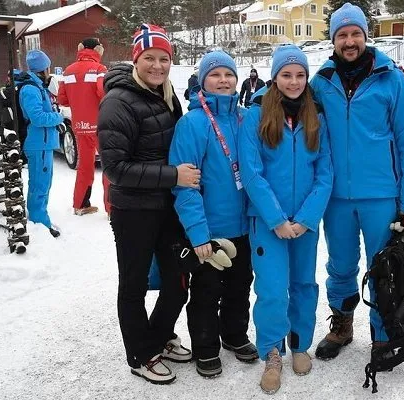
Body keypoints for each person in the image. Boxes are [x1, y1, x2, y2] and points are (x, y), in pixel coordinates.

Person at [309, 3, 404, 361]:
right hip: (336, 198)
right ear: (333, 40)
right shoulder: (320, 83)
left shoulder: (392, 80)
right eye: (342, 35)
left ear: (365, 36)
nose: (349, 41)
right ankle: (342, 325)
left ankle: (384, 332)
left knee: (384, 266)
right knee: (340, 266)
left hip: (380, 195)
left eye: (355, 33)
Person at [97, 23, 201, 385]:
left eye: (164, 59)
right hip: (133, 211)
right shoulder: (117, 101)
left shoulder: (168, 95)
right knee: (134, 285)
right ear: (135, 58)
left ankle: (159, 336)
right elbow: (115, 168)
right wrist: (173, 175)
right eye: (149, 58)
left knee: (177, 280)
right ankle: (140, 354)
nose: (157, 66)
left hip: (167, 207)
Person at [239, 44, 333, 394]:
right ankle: (272, 351)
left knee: (304, 285)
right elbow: (251, 172)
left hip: (306, 221)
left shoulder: (316, 115)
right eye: (286, 75)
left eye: (299, 75)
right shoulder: (256, 114)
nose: (293, 82)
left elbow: (325, 172)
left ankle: (300, 343)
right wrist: (276, 219)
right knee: (272, 288)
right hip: (268, 221)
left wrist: (307, 218)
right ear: (274, 77)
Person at [170, 50, 258, 378]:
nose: (223, 80)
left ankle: (234, 335)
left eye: (228, 75)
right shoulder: (192, 123)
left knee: (240, 286)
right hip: (209, 231)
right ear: (203, 80)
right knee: (207, 292)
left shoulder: (246, 117)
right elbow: (184, 186)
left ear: (237, 79)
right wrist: (198, 233)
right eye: (215, 75)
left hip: (244, 227)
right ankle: (206, 347)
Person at [58, 37, 111, 216]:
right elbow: (103, 93)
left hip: (79, 126)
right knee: (109, 166)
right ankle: (112, 209)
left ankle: (80, 204)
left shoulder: (68, 71)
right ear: (97, 49)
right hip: (100, 125)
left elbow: (62, 100)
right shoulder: (99, 69)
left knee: (84, 166)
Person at [18, 50, 64, 237]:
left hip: (43, 143)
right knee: (39, 184)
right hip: (37, 143)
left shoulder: (38, 86)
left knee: (44, 183)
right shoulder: (30, 89)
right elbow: (37, 117)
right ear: (44, 68)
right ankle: (39, 222)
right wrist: (58, 117)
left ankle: (40, 218)